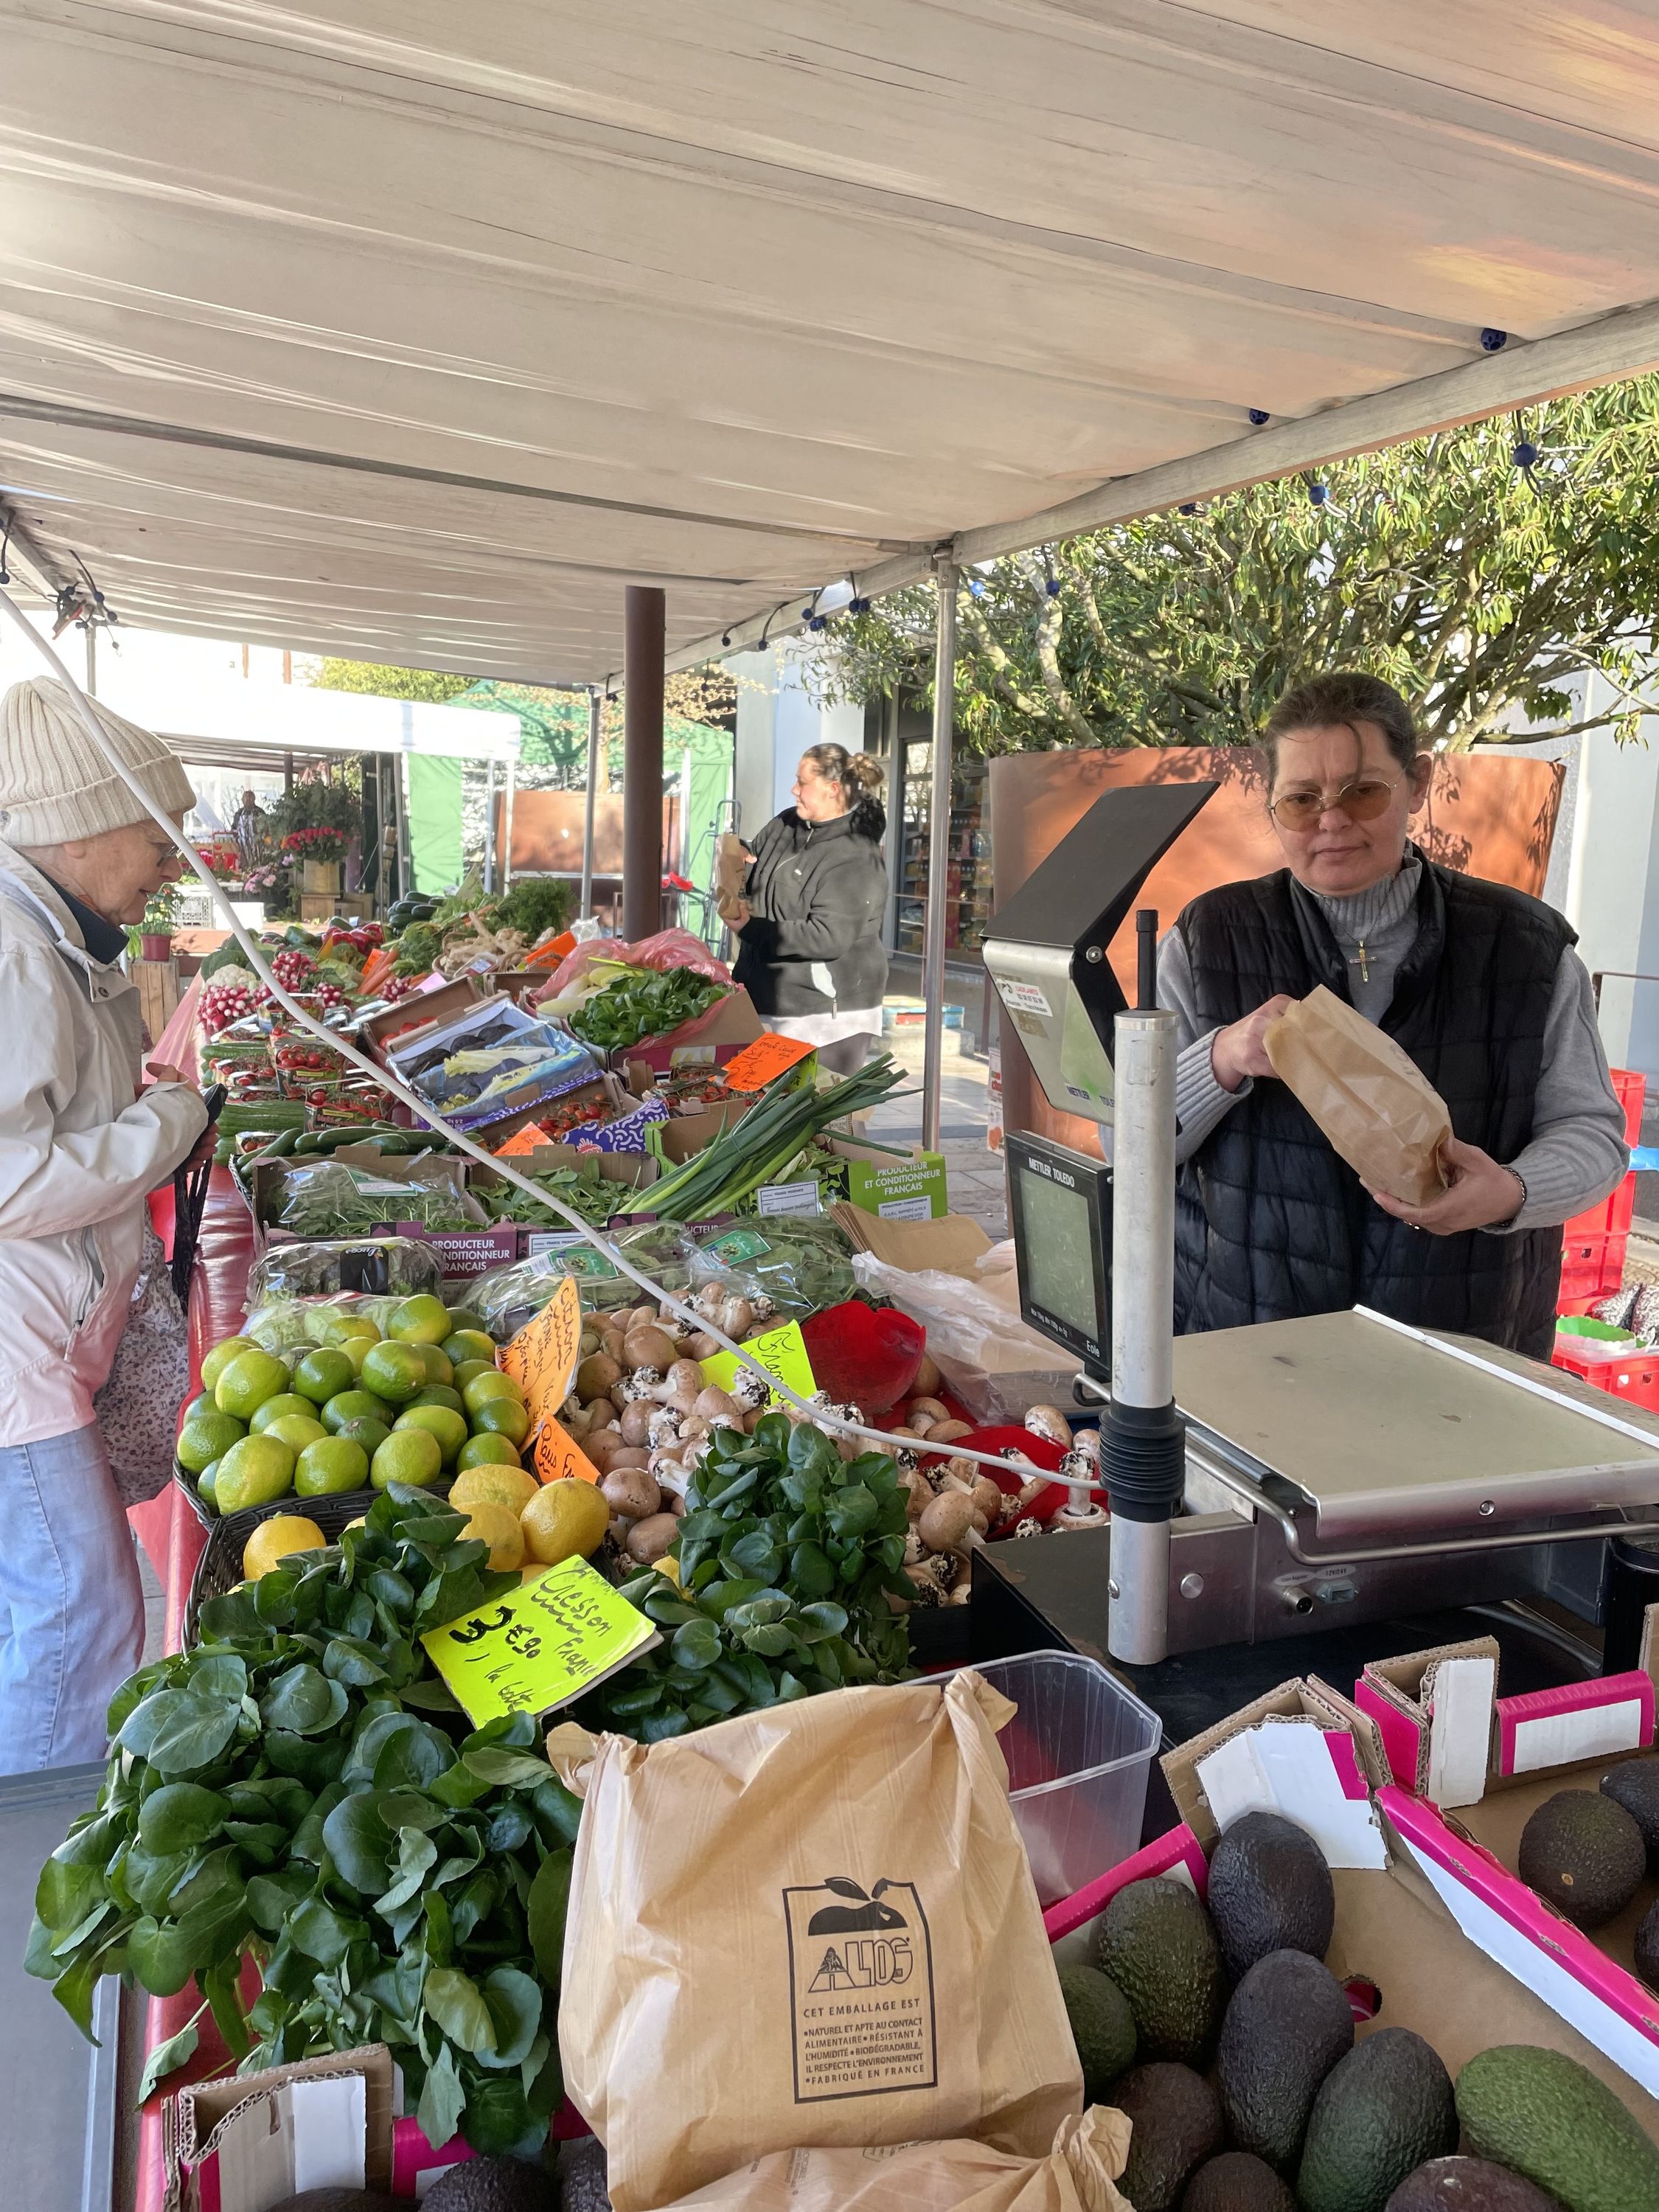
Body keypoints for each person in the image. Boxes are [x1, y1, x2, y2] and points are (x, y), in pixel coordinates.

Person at [1161, 671, 1628, 1357]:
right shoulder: (1208, 939)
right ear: (1272, 806)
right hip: (1250, 1347)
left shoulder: (1524, 947)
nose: (1331, 821)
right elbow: (1128, 1139)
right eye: (1301, 800)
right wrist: (1221, 1058)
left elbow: (1592, 1134)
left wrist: (1511, 1193)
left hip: (1461, 1351)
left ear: (1416, 783)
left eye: (1363, 791)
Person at [0, 678, 210, 1770]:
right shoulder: (16, 954)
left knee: (48, 1605)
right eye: (157, 841)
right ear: (81, 831)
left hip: (43, 1330)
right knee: (78, 1614)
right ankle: (46, 1851)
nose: (169, 868)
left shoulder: (53, 938)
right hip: (16, 1354)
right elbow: (9, 1182)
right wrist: (167, 1125)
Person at [725, 744, 890, 1076]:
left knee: (810, 1106)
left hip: (825, 1017)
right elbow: (759, 858)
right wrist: (740, 854)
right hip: (768, 1001)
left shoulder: (856, 855)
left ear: (833, 789)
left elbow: (827, 936)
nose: (794, 789)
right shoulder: (786, 823)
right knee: (757, 1097)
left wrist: (751, 929)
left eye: (802, 782)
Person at [231, 785, 264, 869]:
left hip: (257, 844)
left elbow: (265, 827)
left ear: (254, 799)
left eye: (249, 798)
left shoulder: (259, 812)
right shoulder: (239, 813)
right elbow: (234, 828)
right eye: (245, 798)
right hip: (242, 844)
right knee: (244, 864)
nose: (247, 800)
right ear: (242, 800)